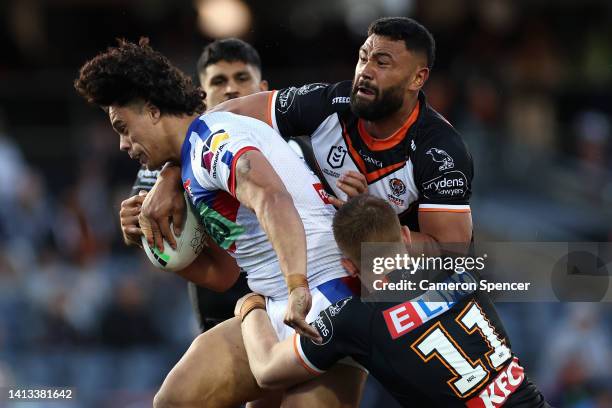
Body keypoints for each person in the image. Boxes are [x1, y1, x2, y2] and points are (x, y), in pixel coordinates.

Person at [75, 38, 366, 408]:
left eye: (122, 126)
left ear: (151, 110)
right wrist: (165, 252)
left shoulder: (212, 143)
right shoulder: (193, 157)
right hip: (276, 301)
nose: (122, 144)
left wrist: (296, 287)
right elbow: (225, 275)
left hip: (327, 297)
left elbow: (272, 198)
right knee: (174, 400)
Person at [140, 17, 473, 259]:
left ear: (418, 78)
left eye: (382, 62)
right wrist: (172, 169)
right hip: (323, 266)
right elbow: (230, 114)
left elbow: (451, 253)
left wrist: (372, 223)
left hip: (403, 290)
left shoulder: (440, 151)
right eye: (363, 57)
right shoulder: (329, 104)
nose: (365, 70)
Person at [236, 194, 549, 408]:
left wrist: (249, 305)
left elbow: (266, 370)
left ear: (348, 265)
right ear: (407, 235)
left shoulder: (355, 318)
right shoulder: (458, 268)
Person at [120, 38, 268, 333]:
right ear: (201, 95)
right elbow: (150, 236)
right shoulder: (157, 168)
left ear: (263, 89)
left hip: (294, 303)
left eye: (241, 78)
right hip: (221, 314)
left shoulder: (295, 146)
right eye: (218, 81)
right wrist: (133, 230)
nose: (230, 89)